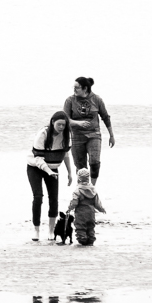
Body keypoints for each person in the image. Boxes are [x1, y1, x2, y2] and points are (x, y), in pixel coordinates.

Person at [27, 111, 74, 242]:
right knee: (38, 197)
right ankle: (36, 230)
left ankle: (51, 231)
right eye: (59, 124)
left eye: (63, 125)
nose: (61, 128)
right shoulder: (43, 134)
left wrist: (70, 172)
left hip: (53, 168)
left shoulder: (66, 135)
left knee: (54, 198)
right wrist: (49, 171)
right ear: (53, 122)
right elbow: (38, 159)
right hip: (35, 167)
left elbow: (65, 154)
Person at [63, 77, 114, 184]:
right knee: (81, 168)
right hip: (77, 136)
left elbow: (105, 117)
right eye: (74, 87)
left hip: (94, 134)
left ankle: (92, 188)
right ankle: (82, 190)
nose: (74, 90)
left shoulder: (97, 99)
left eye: (77, 87)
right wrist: (78, 123)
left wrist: (111, 135)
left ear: (85, 88)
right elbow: (65, 119)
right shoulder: (70, 100)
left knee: (94, 162)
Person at [63, 173, 106, 246]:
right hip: (91, 214)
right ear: (88, 178)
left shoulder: (77, 191)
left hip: (80, 214)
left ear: (79, 179)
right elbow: (97, 203)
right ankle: (91, 240)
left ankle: (82, 239)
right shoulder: (93, 190)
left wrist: (69, 209)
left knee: (80, 227)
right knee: (90, 227)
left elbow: (74, 202)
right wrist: (102, 209)